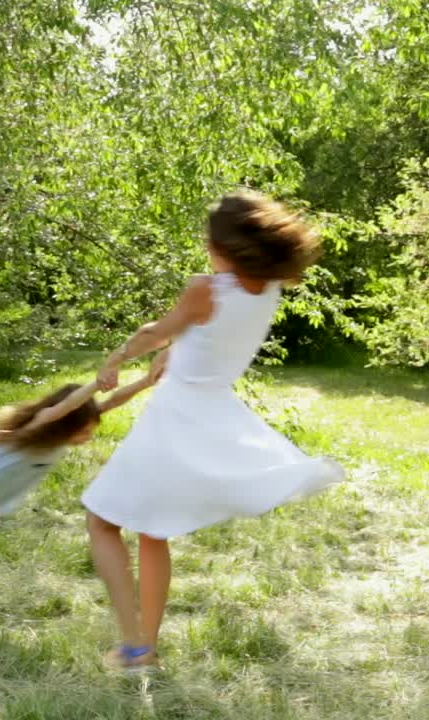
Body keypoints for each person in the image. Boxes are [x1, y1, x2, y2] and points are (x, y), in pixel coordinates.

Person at [84, 191, 346, 671]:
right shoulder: (265, 292)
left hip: (175, 418)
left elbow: (157, 332)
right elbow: (204, 337)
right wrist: (176, 350)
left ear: (222, 243)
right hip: (211, 414)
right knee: (150, 529)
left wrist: (118, 358)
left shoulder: (204, 288)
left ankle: (134, 646)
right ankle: (144, 649)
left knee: (101, 520)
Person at [0, 353, 168, 544]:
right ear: (65, 424)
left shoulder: (63, 429)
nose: (88, 437)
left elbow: (113, 401)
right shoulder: (44, 422)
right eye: (84, 431)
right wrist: (95, 384)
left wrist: (146, 381)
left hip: (11, 471)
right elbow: (68, 404)